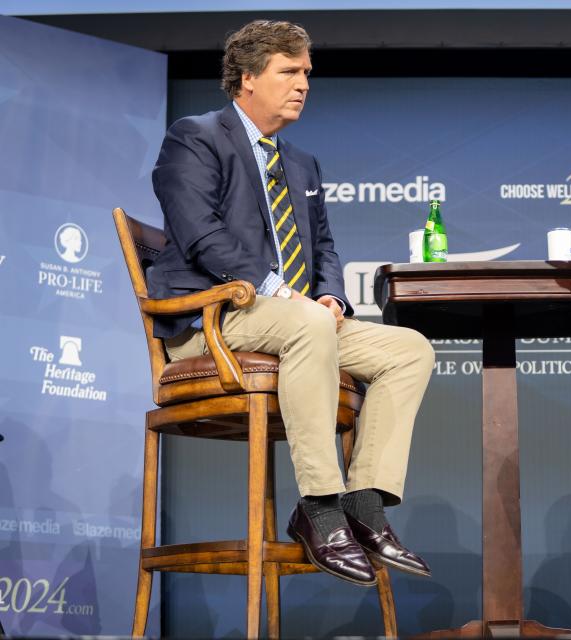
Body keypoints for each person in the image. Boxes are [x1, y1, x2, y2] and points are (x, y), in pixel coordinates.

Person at [147, 20, 435, 586]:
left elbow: (323, 245)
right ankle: (321, 504)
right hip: (215, 318)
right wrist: (283, 292)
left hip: (296, 320)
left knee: (409, 349)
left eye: (306, 72)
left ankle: (364, 500)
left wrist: (330, 295)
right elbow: (200, 232)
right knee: (306, 321)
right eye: (289, 71)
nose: (303, 83)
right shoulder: (195, 136)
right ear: (247, 78)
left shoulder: (301, 163)